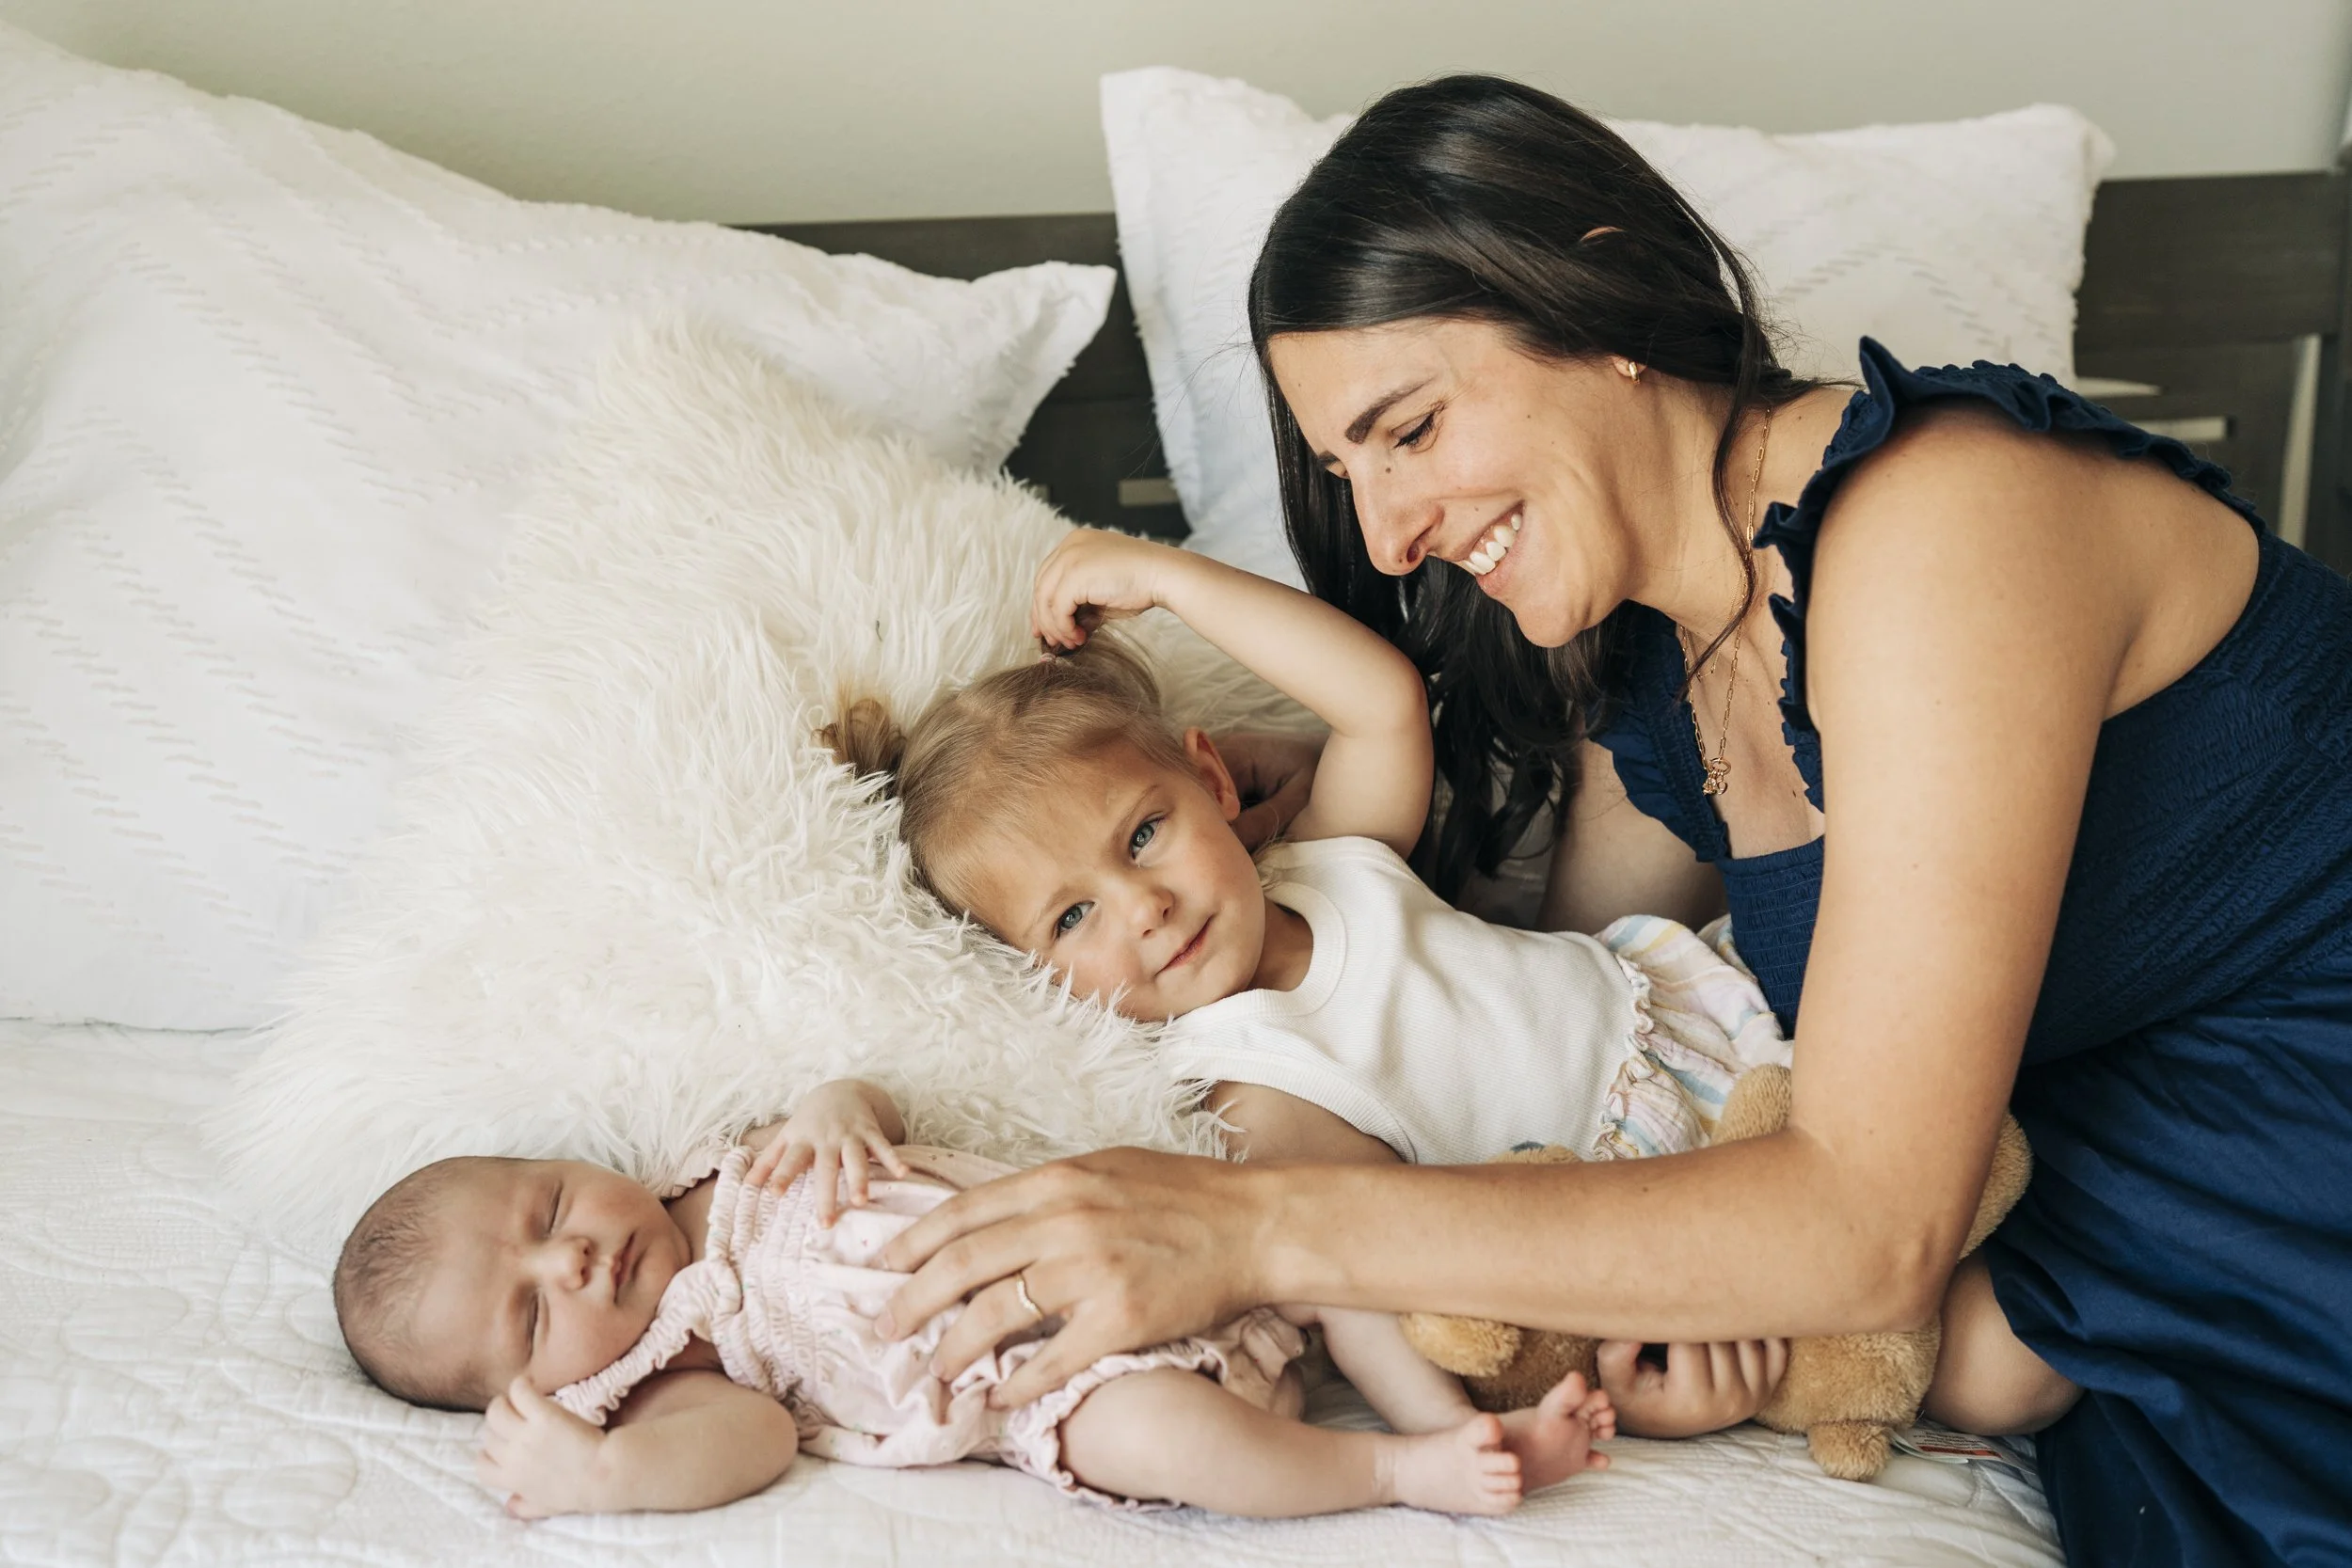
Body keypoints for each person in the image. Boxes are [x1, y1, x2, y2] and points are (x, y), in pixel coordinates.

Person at [871, 75, 2352, 1566]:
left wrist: (1252, 1228)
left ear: (1591, 296)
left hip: (2307, 1145)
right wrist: (1253, 818)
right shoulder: (1655, 655)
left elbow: (1862, 1217)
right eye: (1346, 473)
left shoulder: (1937, 527)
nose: (1387, 535)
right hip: (2124, 1197)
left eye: (1412, 430)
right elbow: (1523, 995)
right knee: (1972, 1354)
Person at [841, 521, 2063, 1438]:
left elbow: (1375, 696)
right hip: (1629, 1226)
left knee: (1988, 1095)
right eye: (1074, 915)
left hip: (1719, 1026)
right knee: (2003, 1371)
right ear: (1045, 978)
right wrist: (1466, 1439)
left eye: (1144, 832)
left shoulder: (1329, 859)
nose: (1145, 906)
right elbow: (1361, 1281)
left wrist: (1166, 578)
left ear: (1212, 778)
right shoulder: (1249, 1085)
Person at [330, 1078, 1613, 1520]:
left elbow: (874, 1115)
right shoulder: (677, 1370)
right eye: (534, 1314)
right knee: (1160, 1440)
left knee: (1322, 1252)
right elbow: (757, 1436)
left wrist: (839, 1105)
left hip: (1156, 1243)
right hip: (1058, 1378)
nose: (571, 1261)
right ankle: (1405, 1468)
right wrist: (601, 1475)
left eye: (547, 1208)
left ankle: (1452, 1402)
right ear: (544, 1388)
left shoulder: (725, 1156)